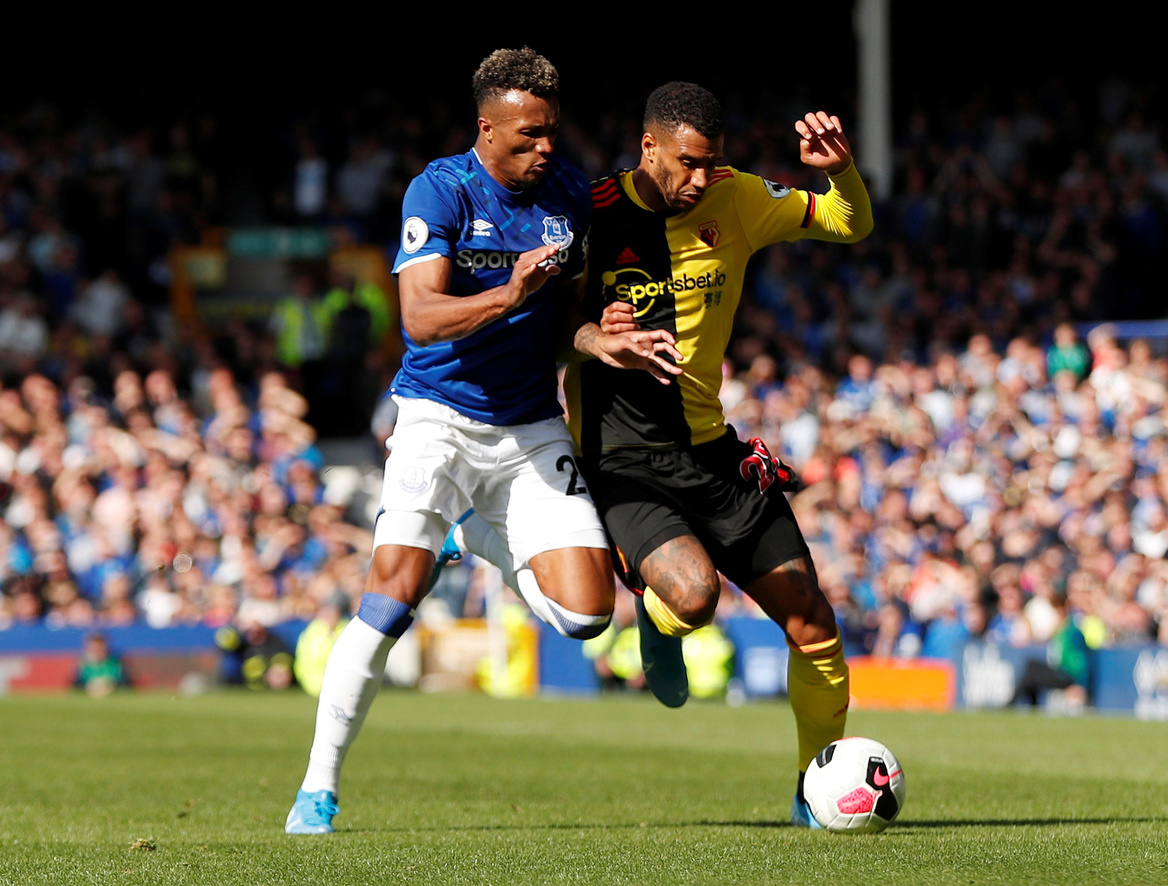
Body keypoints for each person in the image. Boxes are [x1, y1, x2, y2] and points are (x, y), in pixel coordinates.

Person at [285, 48, 677, 836]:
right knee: (390, 601)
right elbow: (420, 318)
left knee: (586, 619)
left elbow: (564, 319)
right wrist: (508, 292)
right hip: (436, 418)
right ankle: (317, 790)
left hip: (529, 424)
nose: (545, 148)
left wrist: (600, 340)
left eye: (552, 132)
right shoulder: (442, 190)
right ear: (487, 128)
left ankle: (472, 537)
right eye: (529, 135)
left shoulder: (570, 194)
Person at [568, 82, 873, 827]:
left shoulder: (737, 198)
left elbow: (849, 222)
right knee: (695, 597)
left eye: (712, 162)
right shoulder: (591, 213)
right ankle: (660, 618)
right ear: (649, 147)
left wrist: (840, 171)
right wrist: (596, 338)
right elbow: (540, 327)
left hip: (713, 452)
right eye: (688, 163)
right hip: (623, 458)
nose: (701, 178)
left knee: (813, 622)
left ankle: (813, 795)